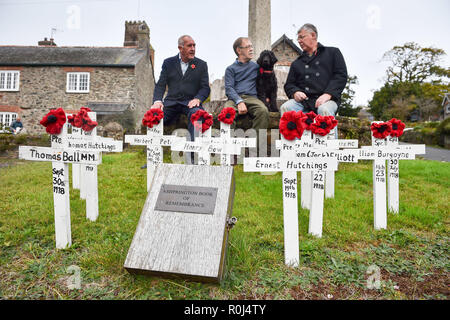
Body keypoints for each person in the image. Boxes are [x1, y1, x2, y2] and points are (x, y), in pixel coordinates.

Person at [280, 23, 348, 117]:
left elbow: (341, 76)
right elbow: (289, 84)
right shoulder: (296, 63)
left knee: (324, 110)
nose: (299, 41)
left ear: (313, 35)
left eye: (301, 37)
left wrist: (328, 94)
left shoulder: (333, 53)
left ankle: (329, 132)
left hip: (328, 100)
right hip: (303, 102)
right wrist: (295, 92)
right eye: (298, 39)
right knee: (286, 108)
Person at [151, 34, 210, 141]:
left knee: (197, 115)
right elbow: (160, 85)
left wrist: (198, 99)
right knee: (153, 116)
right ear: (180, 48)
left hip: (191, 104)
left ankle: (194, 154)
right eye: (189, 46)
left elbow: (205, 88)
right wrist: (157, 101)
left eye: (194, 46)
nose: (193, 49)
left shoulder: (201, 65)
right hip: (171, 103)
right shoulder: (168, 63)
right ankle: (153, 153)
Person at [223, 37, 269, 133]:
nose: (251, 49)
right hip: (234, 99)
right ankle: (229, 145)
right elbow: (229, 88)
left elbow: (267, 79)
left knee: (263, 111)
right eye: (248, 47)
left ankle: (257, 146)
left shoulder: (256, 67)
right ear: (239, 50)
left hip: (252, 98)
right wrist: (239, 101)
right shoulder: (230, 69)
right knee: (227, 112)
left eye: (251, 46)